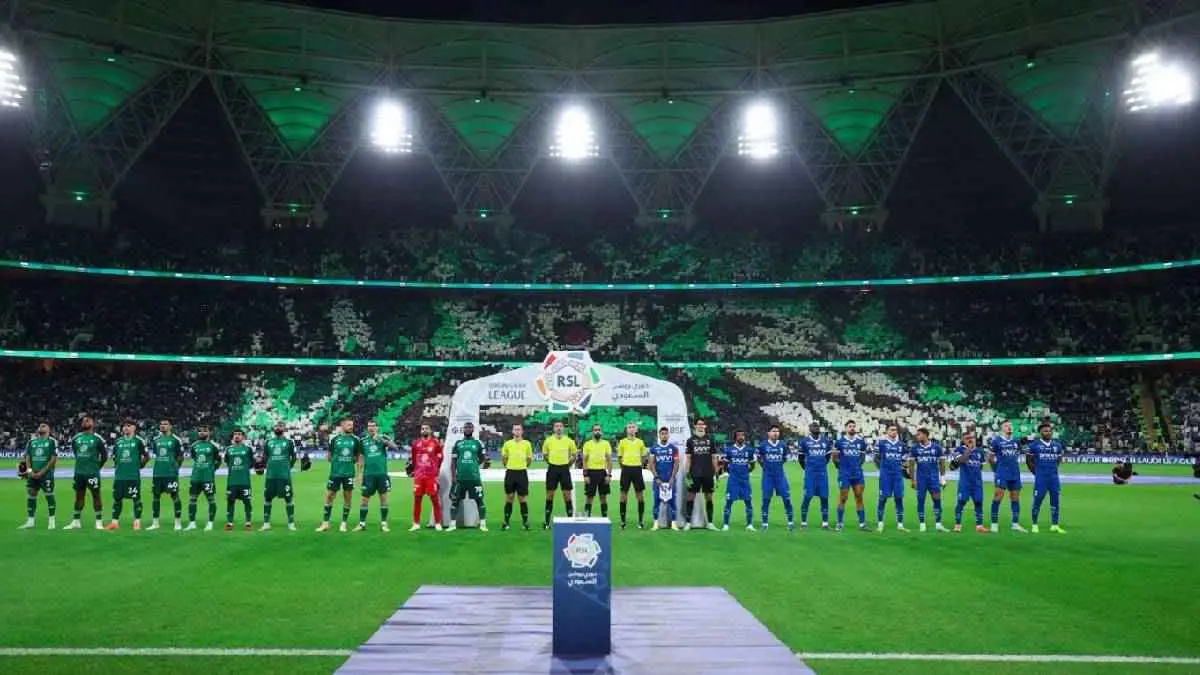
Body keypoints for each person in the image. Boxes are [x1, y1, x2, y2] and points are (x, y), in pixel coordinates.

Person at [318, 418, 360, 533]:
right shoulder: (335, 439)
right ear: (342, 426)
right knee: (330, 496)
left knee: (347, 498)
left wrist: (358, 473)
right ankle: (325, 523)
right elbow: (329, 457)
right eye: (348, 425)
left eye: (352, 425)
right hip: (335, 473)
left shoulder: (356, 440)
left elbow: (357, 457)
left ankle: (344, 523)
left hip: (348, 473)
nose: (351, 427)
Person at [105, 421, 149, 531]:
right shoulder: (118, 442)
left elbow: (147, 456)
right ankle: (114, 523)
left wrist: (139, 466)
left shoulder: (139, 441)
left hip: (133, 476)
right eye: (124, 426)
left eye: (129, 426)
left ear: (134, 428)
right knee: (117, 499)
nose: (126, 428)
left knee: (136, 499)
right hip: (119, 476)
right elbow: (114, 457)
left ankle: (137, 522)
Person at [66, 416, 106, 530]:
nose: (85, 421)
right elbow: (76, 453)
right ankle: (76, 521)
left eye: (88, 420)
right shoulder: (76, 438)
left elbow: (104, 455)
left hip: (92, 473)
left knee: (96, 496)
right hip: (79, 473)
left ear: (93, 424)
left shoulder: (97, 438)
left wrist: (96, 467)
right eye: (84, 420)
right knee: (78, 497)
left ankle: (98, 522)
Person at [987, 419, 1027, 533]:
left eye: (1010, 425)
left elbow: (1022, 451)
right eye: (1006, 426)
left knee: (1015, 498)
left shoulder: (1016, 441)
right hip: (1002, 473)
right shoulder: (996, 441)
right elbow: (989, 457)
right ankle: (994, 524)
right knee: (998, 497)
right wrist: (996, 470)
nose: (1009, 427)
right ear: (1002, 428)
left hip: (1015, 473)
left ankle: (1015, 523)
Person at [1026, 422, 1066, 534]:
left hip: (1053, 478)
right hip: (1041, 479)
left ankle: (1055, 525)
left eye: (1049, 431)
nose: (1048, 433)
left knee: (1055, 501)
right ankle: (1034, 524)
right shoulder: (1034, 445)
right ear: (1040, 433)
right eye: (1045, 431)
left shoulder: (1057, 445)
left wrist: (1053, 469)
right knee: (1037, 501)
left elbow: (1058, 459)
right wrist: (1037, 473)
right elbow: (1028, 461)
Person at [448, 421, 488, 533]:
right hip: (460, 478)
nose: (468, 429)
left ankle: (483, 524)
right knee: (455, 501)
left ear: (473, 429)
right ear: (463, 429)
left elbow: (483, 458)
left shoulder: (478, 443)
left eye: (470, 427)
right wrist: (453, 476)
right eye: (466, 427)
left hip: (474, 477)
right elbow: (453, 462)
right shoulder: (458, 443)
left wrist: (476, 465)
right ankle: (452, 525)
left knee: (479, 500)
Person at [355, 420, 394, 532]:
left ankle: (384, 524)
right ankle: (362, 524)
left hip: (381, 474)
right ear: (367, 428)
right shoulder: (363, 441)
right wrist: (359, 474)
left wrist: (384, 440)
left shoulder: (382, 439)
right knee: (364, 500)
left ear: (377, 428)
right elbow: (361, 458)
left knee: (383, 499)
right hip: (368, 475)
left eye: (373, 426)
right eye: (369, 426)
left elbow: (395, 447)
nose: (371, 428)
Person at [909, 427, 949, 533]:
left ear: (925, 435)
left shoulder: (937, 448)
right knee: (920, 500)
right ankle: (922, 524)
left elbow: (941, 464)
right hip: (921, 479)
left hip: (934, 479)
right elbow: (911, 465)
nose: (917, 436)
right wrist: (912, 480)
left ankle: (938, 524)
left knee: (937, 500)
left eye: (919, 434)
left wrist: (943, 478)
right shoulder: (914, 448)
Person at [19, 422, 58, 530]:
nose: (42, 425)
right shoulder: (31, 442)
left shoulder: (52, 441)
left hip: (46, 474)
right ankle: (30, 521)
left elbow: (53, 458)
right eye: (40, 425)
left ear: (49, 430)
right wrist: (30, 471)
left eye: (44, 425)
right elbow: (27, 457)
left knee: (49, 495)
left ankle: (51, 521)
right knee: (31, 493)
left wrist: (42, 472)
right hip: (33, 473)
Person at [147, 419, 184, 531]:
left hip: (170, 473)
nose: (163, 426)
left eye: (165, 424)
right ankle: (155, 522)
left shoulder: (175, 440)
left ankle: (177, 522)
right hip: (158, 473)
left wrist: (176, 468)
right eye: (161, 424)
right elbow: (155, 454)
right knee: (156, 497)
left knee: (175, 496)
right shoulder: (156, 440)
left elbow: (180, 456)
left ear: (170, 426)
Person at [262, 422, 299, 532]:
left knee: (288, 498)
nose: (278, 427)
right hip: (271, 475)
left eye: (281, 426)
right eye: (276, 426)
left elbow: (294, 457)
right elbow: (266, 457)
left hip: (284, 475)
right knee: (268, 498)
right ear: (274, 428)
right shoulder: (268, 442)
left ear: (284, 428)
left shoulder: (289, 442)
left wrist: (288, 466)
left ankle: (291, 523)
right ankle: (266, 523)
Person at [832, 420, 868, 532]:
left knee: (859, 496)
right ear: (845, 428)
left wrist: (857, 465)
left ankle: (862, 524)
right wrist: (840, 467)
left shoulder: (861, 442)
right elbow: (835, 458)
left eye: (853, 426)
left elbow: (862, 456)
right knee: (843, 498)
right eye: (850, 426)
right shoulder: (840, 442)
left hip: (857, 473)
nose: (852, 428)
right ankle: (839, 523)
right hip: (845, 474)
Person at [683, 418, 718, 531]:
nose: (701, 426)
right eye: (699, 424)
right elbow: (688, 458)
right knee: (690, 496)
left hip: (708, 473)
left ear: (705, 426)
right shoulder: (690, 440)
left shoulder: (710, 440)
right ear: (695, 426)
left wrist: (716, 472)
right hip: (695, 473)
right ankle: (688, 523)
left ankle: (710, 523)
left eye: (703, 424)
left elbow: (713, 457)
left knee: (709, 497)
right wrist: (687, 472)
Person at [756, 424, 793, 531]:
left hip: (780, 476)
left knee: (786, 498)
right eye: (773, 431)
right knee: (766, 499)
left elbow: (785, 458)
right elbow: (759, 458)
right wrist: (766, 467)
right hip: (768, 476)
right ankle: (764, 523)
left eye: (777, 431)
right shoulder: (763, 445)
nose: (776, 433)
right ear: (768, 433)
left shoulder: (783, 445)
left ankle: (790, 522)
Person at [541, 420, 577, 529]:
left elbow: (574, 454)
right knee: (550, 494)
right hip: (552, 469)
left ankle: (570, 520)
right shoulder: (548, 441)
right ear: (553, 428)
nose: (559, 428)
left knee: (567, 495)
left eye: (561, 426)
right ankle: (547, 522)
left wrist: (568, 464)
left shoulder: (569, 441)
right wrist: (552, 463)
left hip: (564, 469)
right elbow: (545, 455)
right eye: (557, 426)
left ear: (563, 428)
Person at [409, 422, 444, 532]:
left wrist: (435, 468)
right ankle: (416, 523)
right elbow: (414, 459)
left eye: (426, 428)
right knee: (417, 499)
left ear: (430, 431)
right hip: (419, 476)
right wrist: (415, 470)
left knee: (434, 499)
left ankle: (438, 523)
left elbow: (440, 456)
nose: (424, 430)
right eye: (422, 428)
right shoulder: (416, 444)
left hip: (430, 476)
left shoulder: (435, 443)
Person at [185, 425, 221, 531]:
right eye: (200, 431)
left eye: (204, 431)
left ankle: (210, 523)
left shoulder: (213, 446)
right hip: (195, 477)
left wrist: (212, 470)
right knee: (192, 499)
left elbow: (218, 460)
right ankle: (192, 523)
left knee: (211, 499)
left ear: (209, 432)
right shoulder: (194, 446)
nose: (202, 433)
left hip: (208, 478)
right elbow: (194, 458)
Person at [952, 432, 987, 533]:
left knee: (979, 502)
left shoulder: (980, 452)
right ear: (963, 440)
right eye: (967, 438)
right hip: (965, 482)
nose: (970, 439)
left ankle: (979, 526)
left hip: (977, 483)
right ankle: (958, 525)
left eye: (972, 437)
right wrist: (969, 449)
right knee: (961, 502)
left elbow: (980, 466)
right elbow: (962, 460)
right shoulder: (959, 450)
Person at [875, 423, 907, 532]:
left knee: (899, 498)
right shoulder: (881, 443)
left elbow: (904, 459)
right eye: (892, 430)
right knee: (882, 498)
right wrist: (883, 469)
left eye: (895, 430)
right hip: (885, 476)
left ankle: (900, 524)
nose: (894, 432)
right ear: (887, 431)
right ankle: (880, 523)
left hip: (898, 476)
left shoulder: (901, 444)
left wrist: (904, 467)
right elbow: (876, 458)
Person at [500, 424, 533, 531]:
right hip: (510, 472)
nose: (517, 431)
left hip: (522, 473)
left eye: (519, 429)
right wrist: (509, 466)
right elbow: (504, 458)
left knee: (522, 498)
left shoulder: (527, 444)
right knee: (509, 497)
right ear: (512, 431)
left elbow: (529, 459)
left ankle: (525, 523)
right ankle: (506, 522)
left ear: (522, 431)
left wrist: (523, 466)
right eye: (515, 429)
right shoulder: (507, 444)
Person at [798, 422, 831, 530]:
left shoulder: (826, 441)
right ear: (809, 429)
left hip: (822, 473)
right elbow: (801, 459)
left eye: (817, 426)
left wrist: (821, 465)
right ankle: (803, 522)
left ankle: (825, 523)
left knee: (824, 497)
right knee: (807, 496)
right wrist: (808, 468)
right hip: (810, 473)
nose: (815, 428)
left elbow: (828, 457)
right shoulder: (804, 441)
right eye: (813, 426)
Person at [721, 429, 755, 532]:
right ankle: (726, 525)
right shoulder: (729, 450)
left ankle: (749, 525)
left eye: (743, 435)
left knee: (748, 501)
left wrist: (748, 471)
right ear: (735, 437)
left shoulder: (749, 450)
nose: (741, 437)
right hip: (733, 480)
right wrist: (728, 472)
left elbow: (752, 463)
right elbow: (725, 464)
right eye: (739, 435)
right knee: (729, 501)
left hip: (745, 480)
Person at [616, 422, 648, 529]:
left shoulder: (640, 442)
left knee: (639, 495)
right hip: (626, 469)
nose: (631, 429)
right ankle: (623, 521)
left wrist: (639, 465)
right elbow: (620, 458)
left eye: (633, 427)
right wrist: (625, 467)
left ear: (636, 430)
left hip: (637, 469)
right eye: (629, 427)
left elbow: (644, 457)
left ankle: (640, 521)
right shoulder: (622, 442)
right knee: (623, 495)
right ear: (626, 430)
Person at [648, 427, 680, 531]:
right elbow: (651, 464)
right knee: (656, 502)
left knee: (672, 502)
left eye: (666, 433)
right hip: (658, 480)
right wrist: (656, 477)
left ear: (668, 435)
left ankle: (674, 523)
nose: (664, 435)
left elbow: (676, 464)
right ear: (659, 435)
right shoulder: (654, 448)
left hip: (670, 480)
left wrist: (672, 478)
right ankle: (656, 523)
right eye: (662, 434)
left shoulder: (674, 449)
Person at [223, 429, 254, 531]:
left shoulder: (248, 449)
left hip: (244, 481)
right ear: (233, 437)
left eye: (239, 434)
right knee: (230, 501)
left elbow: (251, 462)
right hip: (232, 481)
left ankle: (248, 522)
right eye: (235, 434)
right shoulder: (228, 449)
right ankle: (230, 522)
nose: (237, 436)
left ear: (243, 437)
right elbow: (227, 461)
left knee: (247, 502)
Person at [581, 424, 612, 519]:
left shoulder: (606, 443)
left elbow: (609, 460)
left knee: (603, 497)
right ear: (592, 432)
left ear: (601, 431)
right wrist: (585, 475)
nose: (597, 431)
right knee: (589, 497)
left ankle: (604, 518)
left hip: (602, 473)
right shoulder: (587, 444)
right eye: (595, 430)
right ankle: (587, 517)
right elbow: (584, 460)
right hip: (591, 473)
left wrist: (609, 475)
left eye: (599, 430)